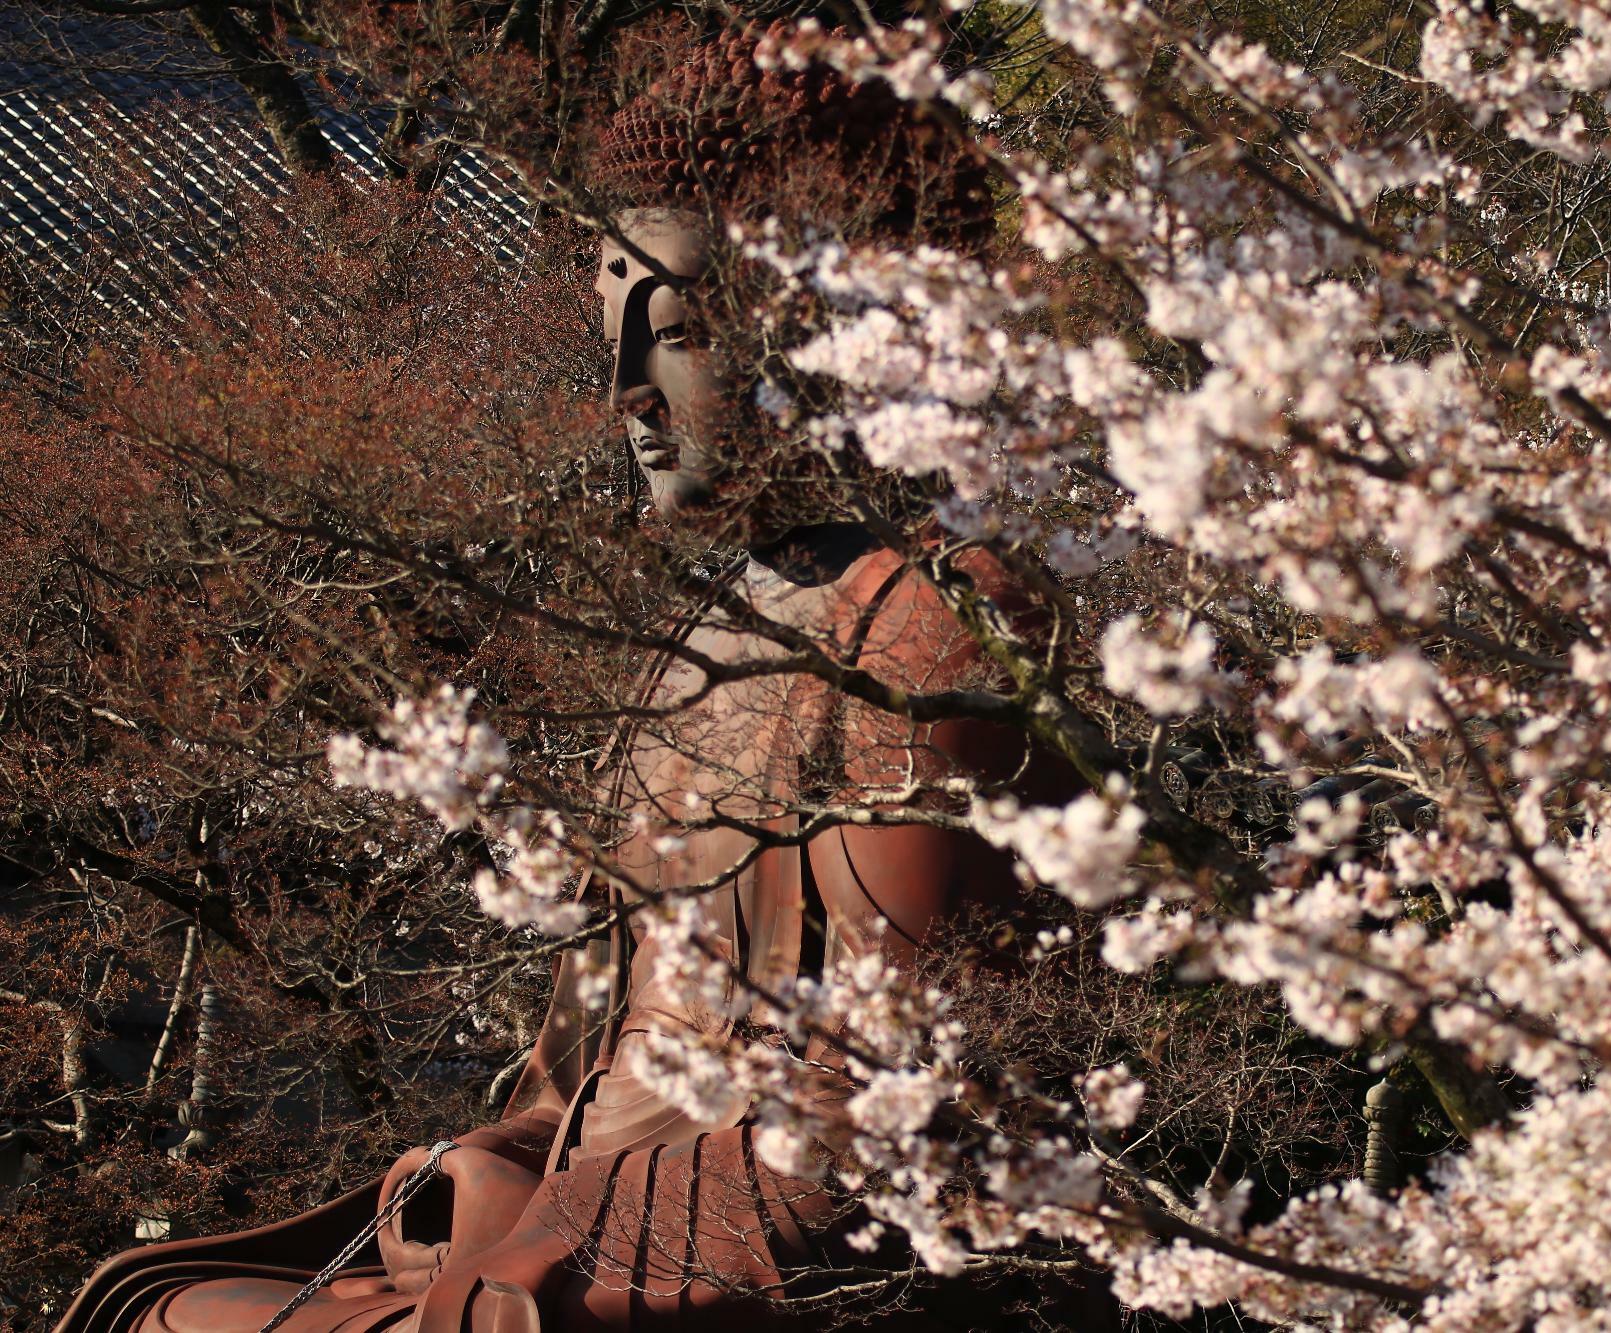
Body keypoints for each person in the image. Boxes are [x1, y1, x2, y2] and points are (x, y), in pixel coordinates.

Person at [58, 25, 1049, 1332]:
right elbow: (584, 1066)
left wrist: (545, 1229)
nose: (631, 395)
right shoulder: (692, 649)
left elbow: (881, 1119)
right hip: (579, 1223)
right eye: (615, 343)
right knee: (155, 1301)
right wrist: (487, 1166)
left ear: (837, 327)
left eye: (677, 332)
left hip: (748, 1270)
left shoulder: (929, 631)